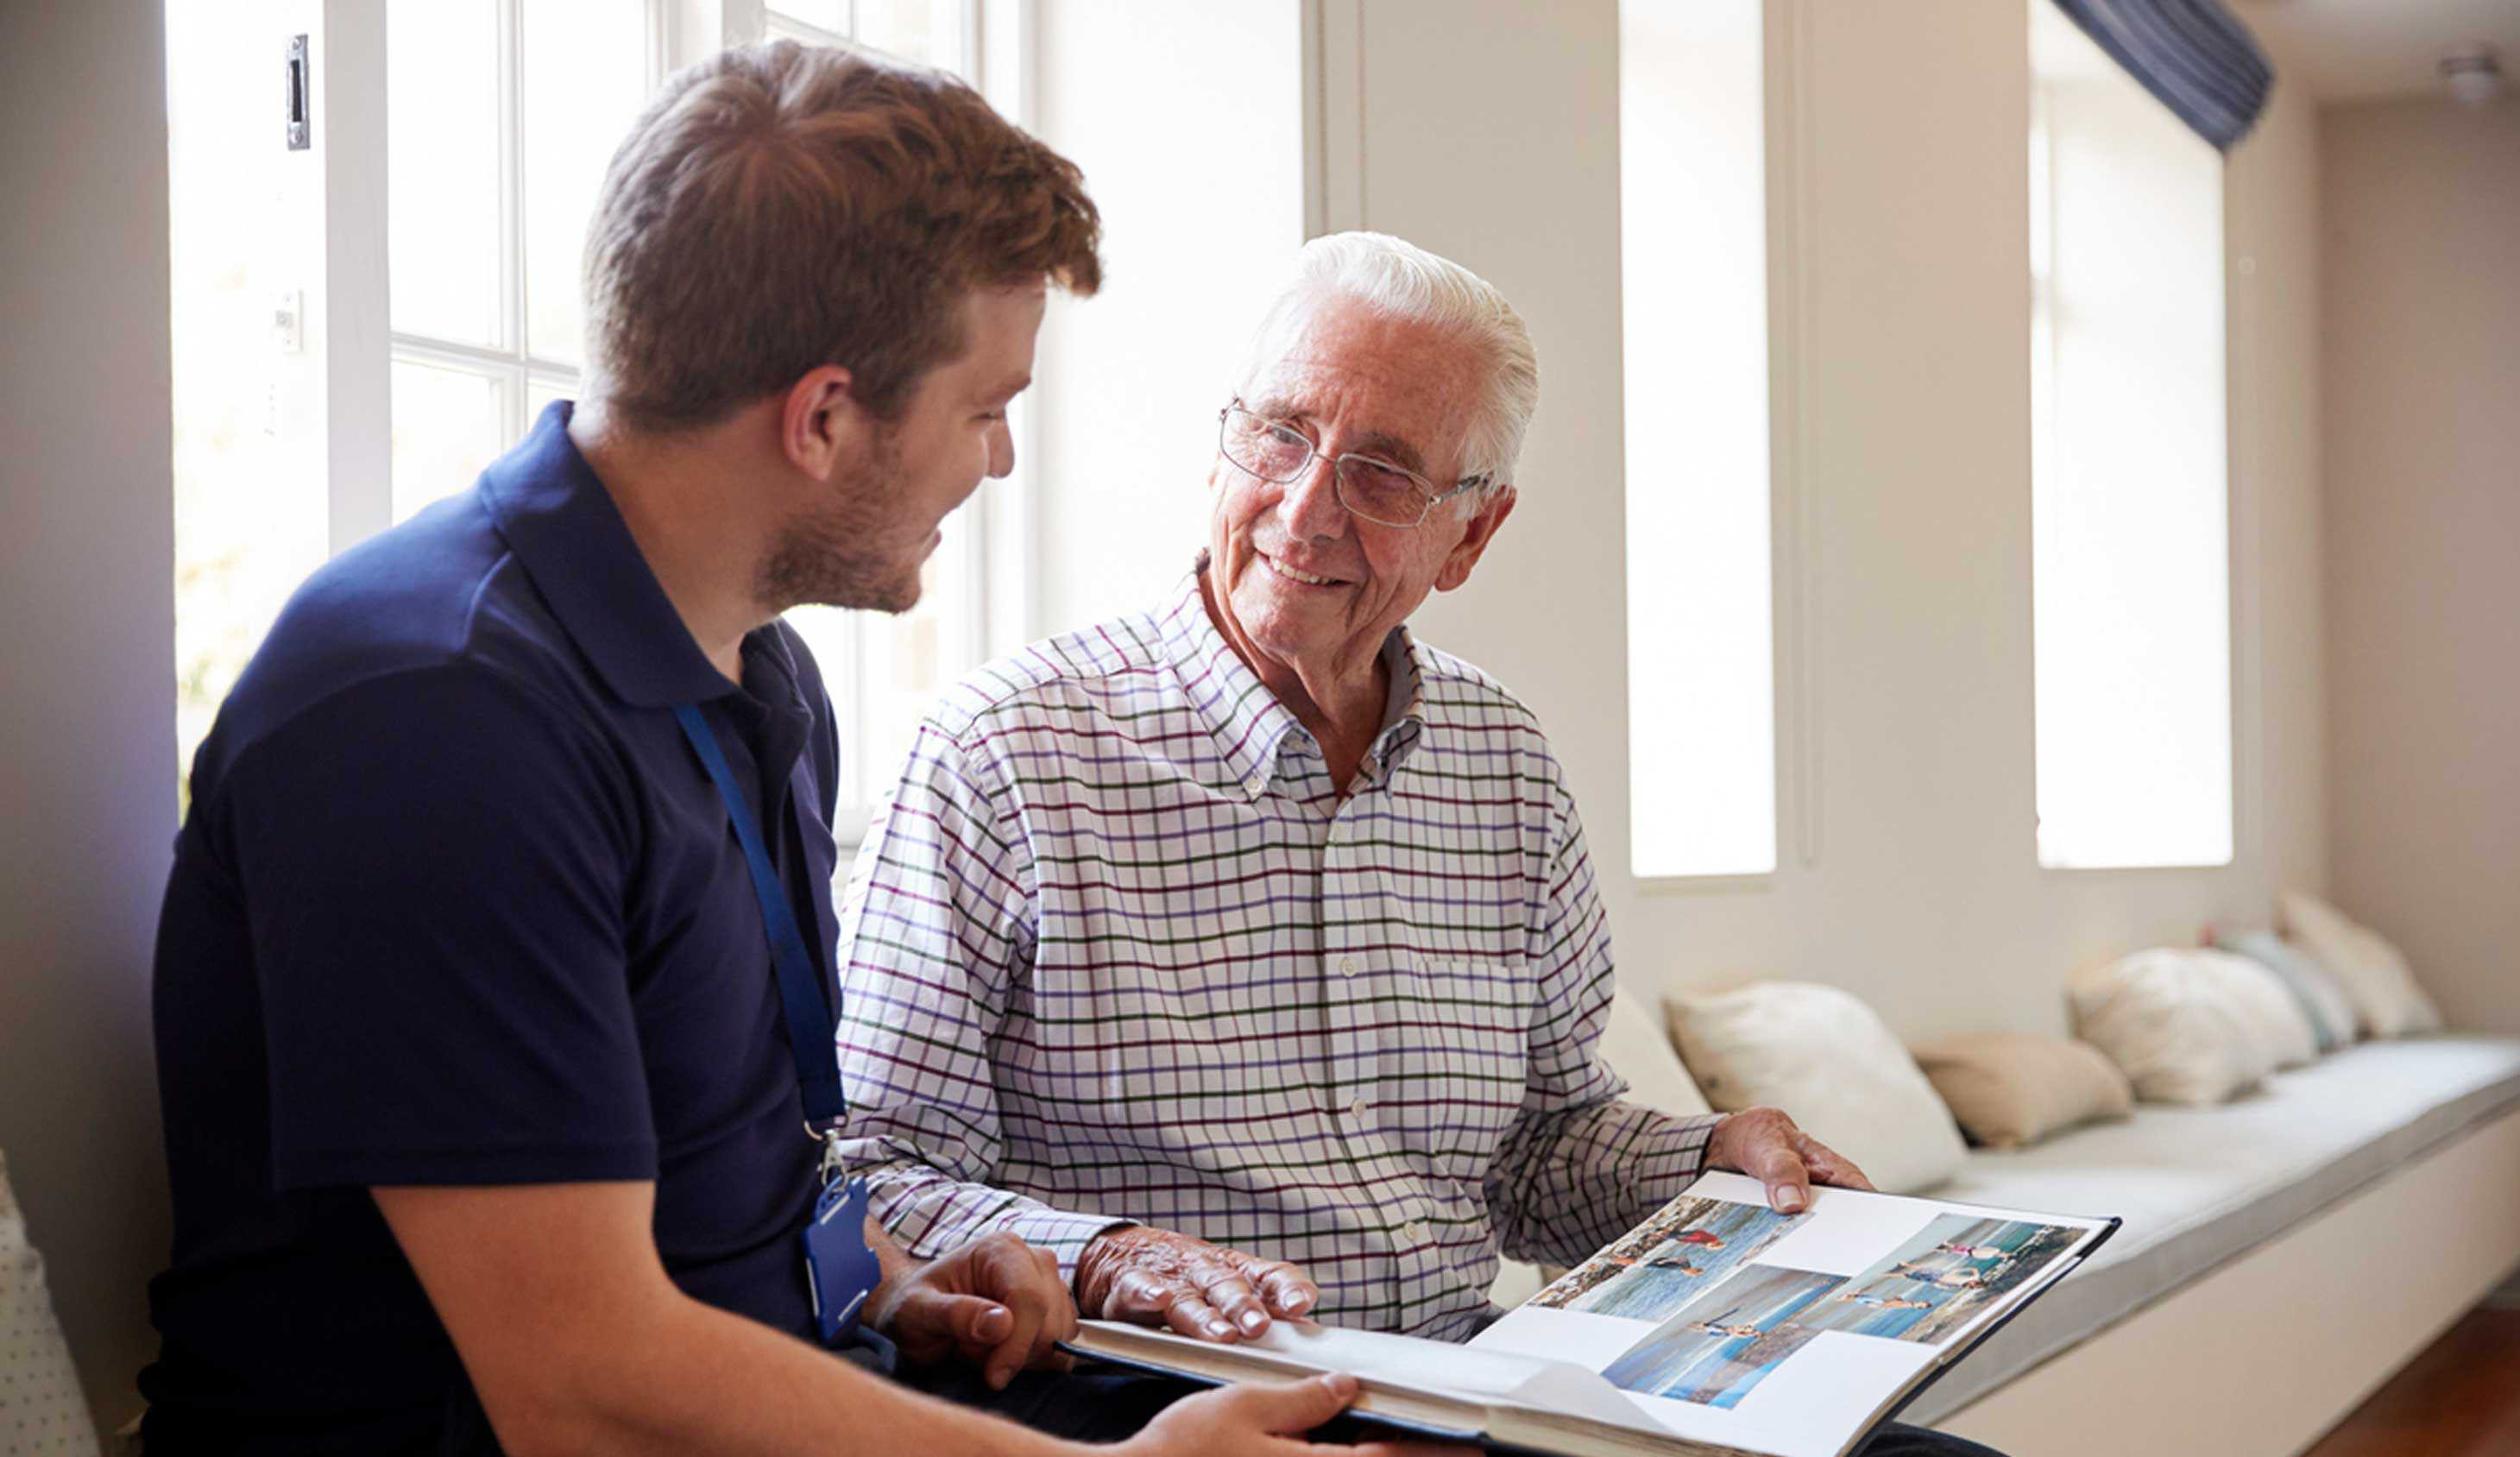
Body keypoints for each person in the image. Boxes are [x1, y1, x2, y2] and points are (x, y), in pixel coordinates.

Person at [141, 42, 1425, 1457]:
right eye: (986, 409)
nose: (998, 462)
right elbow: (577, 1386)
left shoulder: (761, 680)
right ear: (822, 419)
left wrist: (890, 1286)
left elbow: (720, 1184)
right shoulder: (430, 716)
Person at [835, 234, 2013, 1455]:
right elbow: (866, 1172)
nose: (1305, 508)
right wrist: (1109, 1256)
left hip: (1470, 1383)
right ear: (1221, 444)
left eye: (1384, 474)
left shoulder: (1502, 762)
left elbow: (1539, 1151)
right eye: (1280, 435)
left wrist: (1708, 1155)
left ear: (1474, 535)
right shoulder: (1004, 751)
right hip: (1149, 1401)